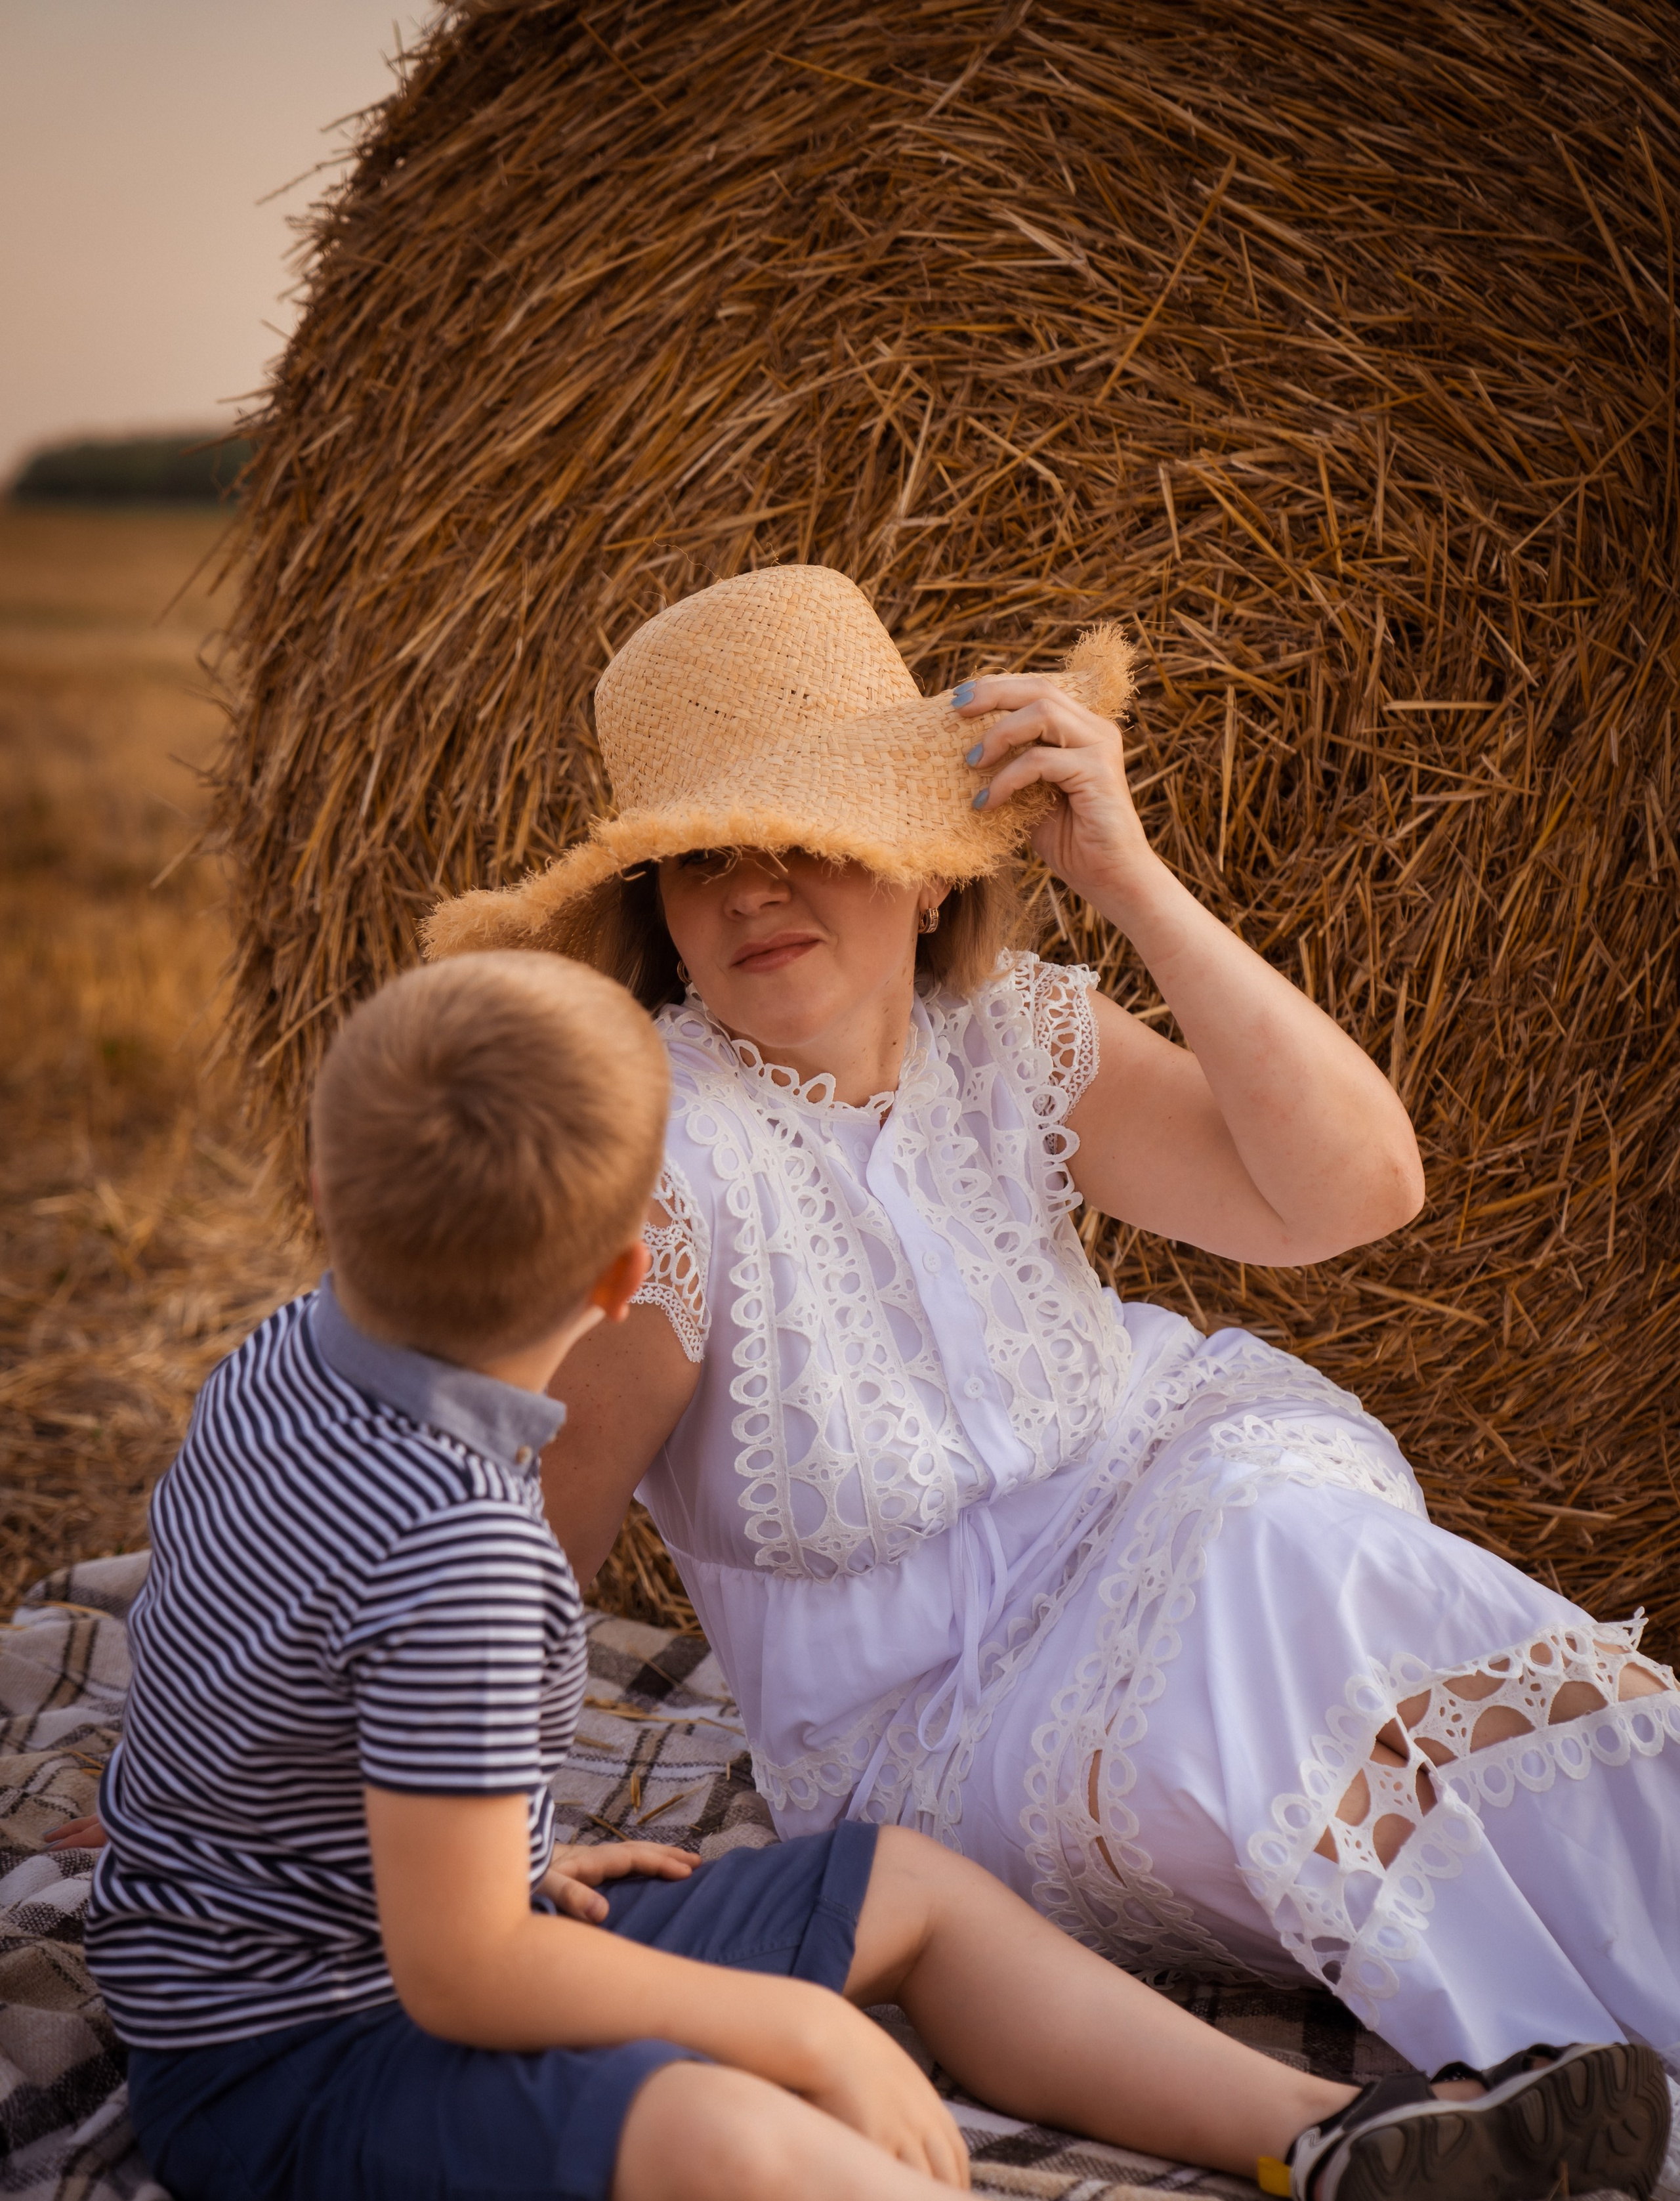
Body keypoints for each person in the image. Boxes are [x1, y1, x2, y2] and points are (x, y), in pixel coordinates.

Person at [78, 951, 1680, 2201]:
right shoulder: (471, 1551)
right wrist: (802, 2031)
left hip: (401, 1910)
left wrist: (519, 1844)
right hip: (291, 2052)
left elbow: (271, 1677)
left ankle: (1327, 2141)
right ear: (630, 1280)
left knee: (904, 1883)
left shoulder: (283, 1357)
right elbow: (460, 1974)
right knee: (734, 2152)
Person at [427, 563, 1680, 2087]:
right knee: (1298, 1651)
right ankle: (1576, 2055)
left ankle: (1607, 2023)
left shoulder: (1011, 1033)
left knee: (1328, 1595)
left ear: (924, 867)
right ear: (665, 922)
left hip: (1173, 1491)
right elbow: (507, 1546)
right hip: (940, 1742)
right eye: (701, 864)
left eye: (800, 838)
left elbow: (1356, 1191)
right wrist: (445, 1861)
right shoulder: (663, 1168)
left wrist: (1132, 881)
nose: (752, 887)